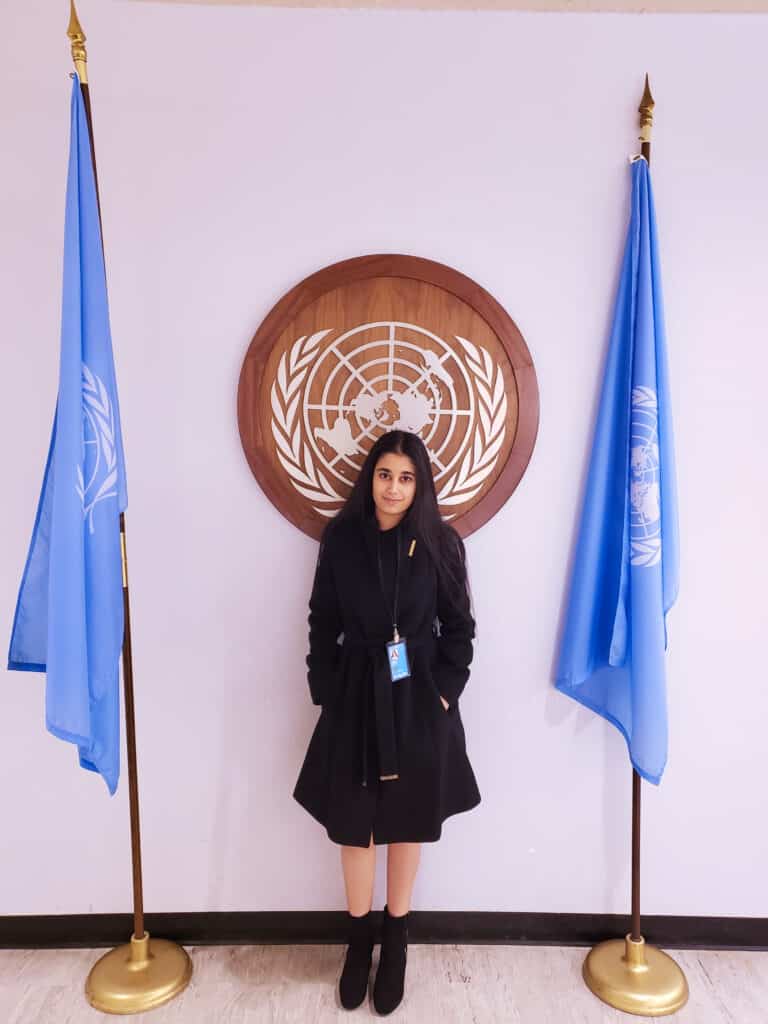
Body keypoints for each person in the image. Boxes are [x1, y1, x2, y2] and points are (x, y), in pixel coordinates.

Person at [293, 429, 480, 1015]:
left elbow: (460, 629)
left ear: (419, 484)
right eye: (384, 475)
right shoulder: (342, 538)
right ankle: (358, 941)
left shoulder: (441, 543)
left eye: (405, 478)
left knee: (406, 823)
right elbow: (322, 618)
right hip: (355, 693)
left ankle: (396, 940)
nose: (393, 488)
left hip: (418, 700)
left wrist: (443, 695)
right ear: (369, 477)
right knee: (355, 824)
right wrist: (325, 688)